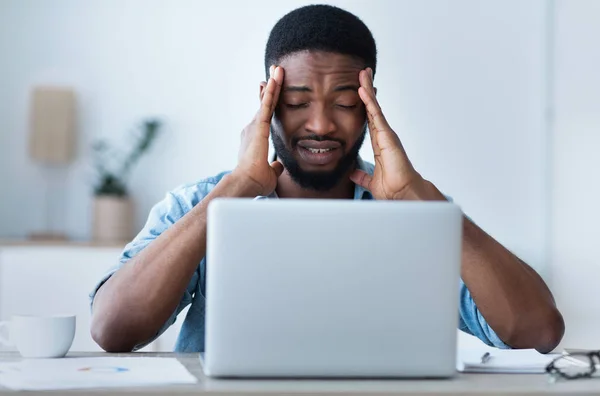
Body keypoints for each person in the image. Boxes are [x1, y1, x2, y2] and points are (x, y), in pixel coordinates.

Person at [90, 4, 564, 354]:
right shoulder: (200, 203)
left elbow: (538, 331)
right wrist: (233, 189)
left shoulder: (420, 211)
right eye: (296, 102)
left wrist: (418, 197)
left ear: (370, 104)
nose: (319, 124)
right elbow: (113, 331)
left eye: (343, 102)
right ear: (267, 102)